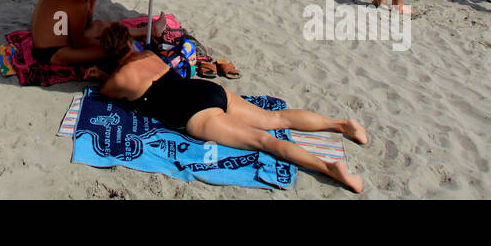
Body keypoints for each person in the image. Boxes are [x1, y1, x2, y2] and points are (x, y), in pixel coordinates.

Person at [96, 23, 366, 193]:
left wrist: (100, 72)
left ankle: (329, 168)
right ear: (130, 42)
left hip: (194, 114)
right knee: (276, 118)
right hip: (203, 89)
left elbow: (105, 91)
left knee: (264, 141)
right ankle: (341, 124)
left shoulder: (120, 79)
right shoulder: (148, 54)